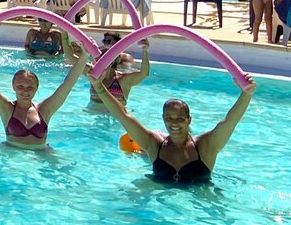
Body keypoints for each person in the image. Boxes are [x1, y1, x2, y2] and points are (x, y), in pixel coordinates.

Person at [90, 69, 256, 184]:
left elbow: (229, 122)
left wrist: (246, 93)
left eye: (179, 119)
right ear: (163, 119)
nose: (174, 123)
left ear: (189, 119)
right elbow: (123, 115)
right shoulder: (153, 143)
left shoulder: (205, 145)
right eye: (169, 118)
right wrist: (99, 86)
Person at [0, 47, 88, 148]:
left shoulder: (44, 110)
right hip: (12, 152)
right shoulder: (6, 109)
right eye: (20, 87)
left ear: (37, 88)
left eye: (30, 88)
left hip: (41, 153)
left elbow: (68, 84)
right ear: (13, 87)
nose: (25, 91)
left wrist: (85, 55)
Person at [87, 36, 151, 107]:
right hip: (91, 115)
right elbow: (75, 61)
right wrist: (85, 51)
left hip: (113, 117)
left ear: (113, 61)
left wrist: (145, 50)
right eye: (98, 60)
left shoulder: (122, 80)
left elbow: (144, 73)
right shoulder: (92, 76)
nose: (99, 63)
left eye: (103, 60)